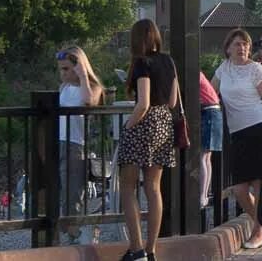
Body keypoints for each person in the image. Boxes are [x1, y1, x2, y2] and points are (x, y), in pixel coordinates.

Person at [211, 29, 262, 250]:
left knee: (258, 184)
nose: (242, 48)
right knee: (240, 188)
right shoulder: (223, 69)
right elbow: (209, 94)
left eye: (245, 44)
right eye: (237, 44)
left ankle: (259, 230)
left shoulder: (256, 70)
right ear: (228, 48)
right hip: (237, 133)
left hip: (259, 129)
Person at [118, 19, 178, 261]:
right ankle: (151, 250)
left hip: (143, 124)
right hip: (164, 122)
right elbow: (173, 101)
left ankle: (136, 249)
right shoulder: (169, 61)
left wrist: (128, 126)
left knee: (128, 187)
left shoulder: (142, 63)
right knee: (154, 188)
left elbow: (142, 103)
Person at [55, 46, 104, 244]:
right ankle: (71, 234)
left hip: (76, 144)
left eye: (67, 69)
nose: (63, 73)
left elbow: (87, 102)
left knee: (73, 192)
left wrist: (83, 75)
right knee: (62, 192)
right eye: (61, 69)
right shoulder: (64, 88)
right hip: (59, 141)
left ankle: (79, 234)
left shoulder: (92, 87)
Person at [199, 72, 222, 209]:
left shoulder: (192, 74)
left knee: (203, 156)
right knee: (207, 157)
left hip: (208, 111)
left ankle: (202, 195)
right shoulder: (200, 74)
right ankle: (204, 194)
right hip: (214, 111)